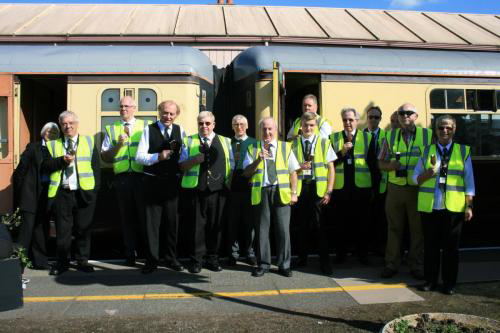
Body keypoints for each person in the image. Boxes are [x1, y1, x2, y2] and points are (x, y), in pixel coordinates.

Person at [414, 115, 475, 295]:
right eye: (441, 128)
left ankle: (449, 284)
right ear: (436, 130)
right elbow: (415, 178)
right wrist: (427, 174)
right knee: (430, 247)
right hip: (430, 207)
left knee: (451, 249)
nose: (444, 131)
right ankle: (430, 281)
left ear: (454, 129)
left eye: (448, 127)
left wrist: (469, 206)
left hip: (454, 208)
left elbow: (469, 182)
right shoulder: (426, 151)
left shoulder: (463, 151)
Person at [42, 111, 100, 275]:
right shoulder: (53, 144)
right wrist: (62, 161)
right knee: (63, 231)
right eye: (64, 124)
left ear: (77, 123)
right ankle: (62, 263)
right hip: (62, 193)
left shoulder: (89, 142)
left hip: (84, 192)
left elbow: (96, 168)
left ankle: (83, 262)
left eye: (71, 123)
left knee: (83, 229)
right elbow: (45, 166)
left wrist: (94, 191)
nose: (68, 126)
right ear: (60, 126)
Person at [378, 103, 432, 279]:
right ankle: (391, 264)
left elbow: (435, 160)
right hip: (396, 189)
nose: (405, 116)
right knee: (394, 228)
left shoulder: (428, 135)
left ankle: (416, 265)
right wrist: (390, 166)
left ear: (416, 116)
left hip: (419, 188)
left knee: (418, 230)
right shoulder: (390, 136)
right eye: (401, 113)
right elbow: (380, 163)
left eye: (409, 113)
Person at [243, 117, 299, 277]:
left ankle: (284, 265)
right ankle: (263, 264)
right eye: (264, 129)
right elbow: (246, 173)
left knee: (283, 230)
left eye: (270, 129)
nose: (267, 132)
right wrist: (257, 160)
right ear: (260, 131)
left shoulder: (286, 148)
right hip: (261, 192)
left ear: (275, 130)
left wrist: (294, 193)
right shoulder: (253, 148)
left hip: (281, 192)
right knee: (262, 231)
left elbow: (293, 172)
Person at [179, 111, 234, 274]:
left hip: (218, 191)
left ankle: (213, 258)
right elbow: (181, 165)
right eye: (201, 123)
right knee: (197, 226)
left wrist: (227, 185)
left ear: (214, 124)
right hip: (197, 189)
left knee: (215, 225)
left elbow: (230, 165)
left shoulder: (225, 141)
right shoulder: (188, 141)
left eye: (207, 123)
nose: (204, 126)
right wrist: (194, 160)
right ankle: (196, 260)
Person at [136, 100, 186, 274]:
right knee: (152, 225)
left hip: (172, 183)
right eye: (165, 112)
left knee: (172, 223)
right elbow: (139, 157)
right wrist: (158, 156)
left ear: (176, 115)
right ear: (159, 112)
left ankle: (171, 258)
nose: (168, 116)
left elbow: (183, 157)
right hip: (152, 182)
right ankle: (151, 261)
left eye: (172, 113)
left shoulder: (181, 131)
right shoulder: (148, 130)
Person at [101, 96, 150, 267]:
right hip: (122, 179)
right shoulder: (112, 128)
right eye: (121, 106)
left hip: (142, 177)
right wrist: (118, 145)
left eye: (127, 106)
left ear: (135, 108)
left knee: (145, 217)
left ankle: (148, 254)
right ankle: (130, 253)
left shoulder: (145, 126)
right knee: (126, 218)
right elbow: (105, 156)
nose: (124, 109)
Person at [291, 112, 336, 275]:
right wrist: (298, 168)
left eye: (311, 125)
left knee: (320, 227)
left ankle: (325, 263)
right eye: (305, 125)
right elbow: (291, 169)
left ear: (315, 126)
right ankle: (302, 258)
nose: (308, 128)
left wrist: (329, 191)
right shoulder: (294, 144)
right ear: (300, 126)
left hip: (318, 189)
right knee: (301, 226)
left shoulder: (324, 142)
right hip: (302, 189)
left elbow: (331, 168)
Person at [330, 107, 376, 264]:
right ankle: (341, 255)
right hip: (340, 189)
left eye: (350, 119)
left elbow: (373, 165)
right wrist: (342, 152)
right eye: (344, 120)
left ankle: (362, 255)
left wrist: (374, 189)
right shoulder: (334, 138)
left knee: (362, 223)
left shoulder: (367, 138)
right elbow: (329, 164)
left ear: (357, 120)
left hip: (361, 189)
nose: (347, 122)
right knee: (340, 224)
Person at [14, 122, 59, 270]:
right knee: (26, 230)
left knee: (41, 227)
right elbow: (20, 171)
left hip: (47, 192)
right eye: (49, 131)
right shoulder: (33, 147)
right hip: (31, 193)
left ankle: (40, 262)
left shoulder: (58, 149)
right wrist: (22, 192)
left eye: (54, 132)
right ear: (43, 133)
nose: (51, 134)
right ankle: (18, 264)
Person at [226, 115, 257, 267]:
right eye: (236, 124)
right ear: (232, 126)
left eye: (241, 124)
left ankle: (250, 253)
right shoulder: (227, 143)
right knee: (232, 223)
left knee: (249, 223)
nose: (239, 127)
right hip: (232, 188)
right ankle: (233, 254)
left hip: (249, 187)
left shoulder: (254, 143)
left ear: (247, 125)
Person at [364, 106, 388, 255]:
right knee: (366, 216)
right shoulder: (360, 136)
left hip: (382, 181)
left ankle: (380, 247)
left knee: (381, 216)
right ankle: (366, 247)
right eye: (371, 117)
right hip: (364, 181)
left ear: (380, 119)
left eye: (376, 117)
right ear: (367, 118)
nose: (373, 120)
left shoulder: (387, 136)